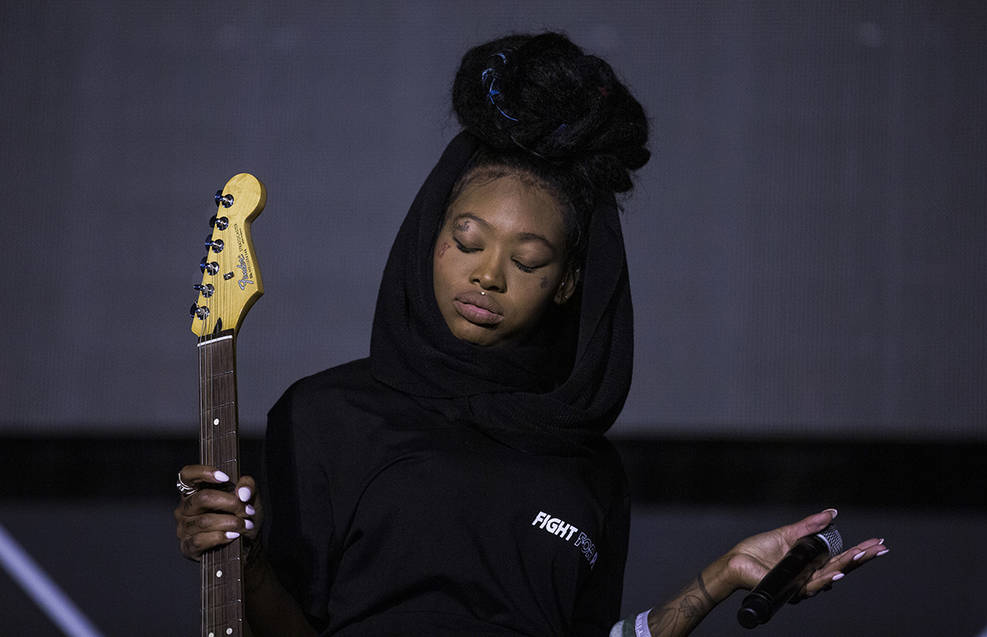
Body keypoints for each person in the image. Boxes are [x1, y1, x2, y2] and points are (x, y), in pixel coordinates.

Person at [174, 32, 888, 636]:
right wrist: (247, 565)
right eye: (468, 240)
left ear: (569, 282)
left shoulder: (590, 473)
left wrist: (714, 581)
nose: (489, 275)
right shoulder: (322, 417)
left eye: (529, 260)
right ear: (430, 239)